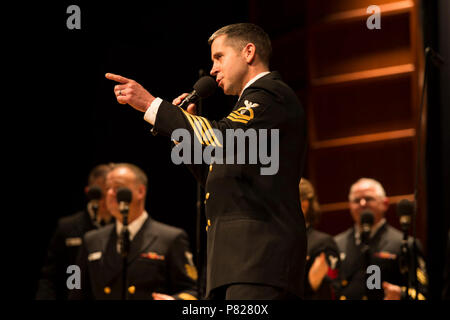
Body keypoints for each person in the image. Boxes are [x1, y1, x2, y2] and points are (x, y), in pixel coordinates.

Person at [105, 23, 307, 299]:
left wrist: (152, 105)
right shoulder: (252, 104)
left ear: (249, 52)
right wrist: (183, 137)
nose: (212, 69)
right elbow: (220, 173)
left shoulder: (271, 94)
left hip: (261, 264)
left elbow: (222, 137)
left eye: (219, 57)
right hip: (235, 265)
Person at [68, 163, 198, 300]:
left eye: (118, 188)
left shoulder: (170, 238)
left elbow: (192, 290)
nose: (111, 193)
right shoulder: (91, 239)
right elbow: (76, 290)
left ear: (140, 192)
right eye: (108, 188)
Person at [334, 178, 428, 300]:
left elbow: (424, 292)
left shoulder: (404, 244)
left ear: (385, 203)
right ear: (350, 206)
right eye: (356, 200)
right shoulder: (337, 243)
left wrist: (402, 295)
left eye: (369, 199)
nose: (362, 204)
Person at [36, 163, 115, 300]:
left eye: (106, 193)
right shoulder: (68, 227)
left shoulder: (121, 227)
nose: (102, 201)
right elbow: (50, 276)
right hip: (74, 291)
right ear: (88, 192)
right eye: (98, 194)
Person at [299, 178, 340, 299]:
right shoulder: (276, 240)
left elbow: (333, 289)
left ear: (303, 205)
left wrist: (310, 286)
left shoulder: (322, 243)